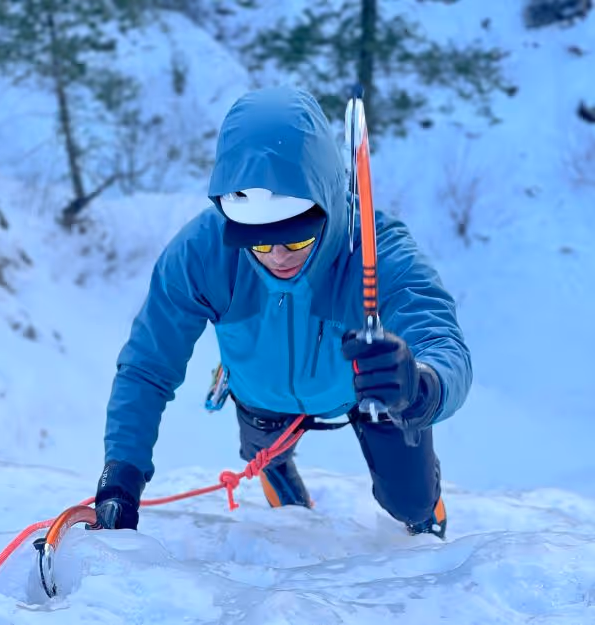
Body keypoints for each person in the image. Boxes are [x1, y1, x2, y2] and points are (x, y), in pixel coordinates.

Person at [91, 86, 472, 539]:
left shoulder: (376, 249)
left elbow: (443, 341)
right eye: (258, 240)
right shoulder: (203, 253)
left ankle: (423, 510)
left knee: (410, 499)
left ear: (326, 205)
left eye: (295, 238)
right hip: (261, 395)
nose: (276, 255)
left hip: (372, 389)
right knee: (280, 499)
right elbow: (148, 365)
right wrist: (122, 474)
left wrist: (419, 385)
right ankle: (285, 484)